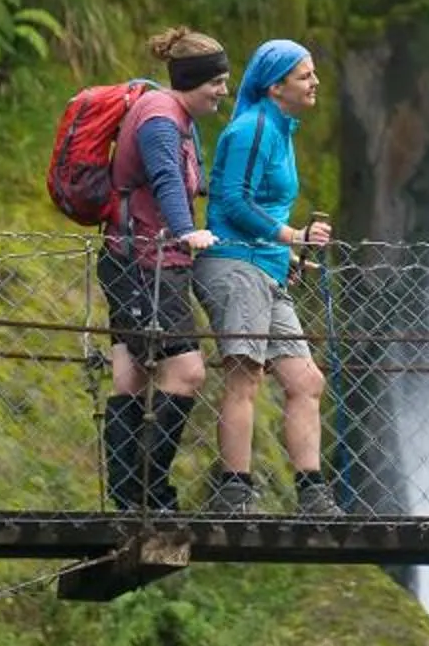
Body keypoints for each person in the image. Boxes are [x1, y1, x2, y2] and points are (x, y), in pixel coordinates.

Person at [201, 38, 339, 518]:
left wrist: (291, 255)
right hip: (237, 265)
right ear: (275, 86)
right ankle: (234, 489)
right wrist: (291, 235)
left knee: (306, 380)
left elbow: (259, 201)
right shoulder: (252, 129)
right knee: (246, 376)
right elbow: (234, 202)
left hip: (268, 268)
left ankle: (312, 492)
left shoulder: (281, 130)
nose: (315, 82)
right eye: (305, 76)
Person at [98, 28, 227, 512]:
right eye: (216, 81)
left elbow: (189, 183)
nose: (222, 91)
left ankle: (130, 496)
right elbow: (166, 179)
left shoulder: (179, 119)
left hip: (136, 259)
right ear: (192, 79)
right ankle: (149, 491)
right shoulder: (158, 118)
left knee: (131, 374)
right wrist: (183, 230)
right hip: (143, 264)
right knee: (187, 371)